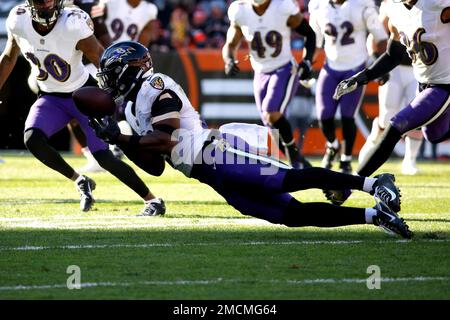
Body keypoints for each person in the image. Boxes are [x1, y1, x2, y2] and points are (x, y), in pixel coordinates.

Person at [84, 40, 412, 239]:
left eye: (111, 72)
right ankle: (374, 216)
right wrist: (122, 141)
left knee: (286, 180)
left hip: (218, 153)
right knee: (291, 216)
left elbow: (166, 138)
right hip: (207, 174)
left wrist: (124, 138)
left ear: (129, 68)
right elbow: (155, 167)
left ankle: (372, 183)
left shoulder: (155, 84)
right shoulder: (128, 109)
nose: (108, 80)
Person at [0, 0, 165, 216]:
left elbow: (100, 57)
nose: (46, 4)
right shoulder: (17, 19)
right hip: (50, 97)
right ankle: (80, 181)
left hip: (83, 95)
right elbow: (9, 57)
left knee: (103, 156)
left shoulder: (72, 22)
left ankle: (152, 200)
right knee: (32, 140)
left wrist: (117, 93)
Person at [330, 0, 450, 210]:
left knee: (396, 125)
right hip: (423, 83)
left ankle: (350, 185)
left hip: (444, 85)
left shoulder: (436, 3)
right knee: (434, 135)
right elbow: (393, 54)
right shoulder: (393, 9)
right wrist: (362, 77)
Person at [222, 0, 315, 169]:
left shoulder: (282, 6)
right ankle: (301, 163)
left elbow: (310, 34)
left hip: (284, 68)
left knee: (271, 113)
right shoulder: (240, 10)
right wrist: (228, 61)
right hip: (260, 72)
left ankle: (294, 158)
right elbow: (230, 44)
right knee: (271, 125)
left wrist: (307, 61)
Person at [308, 0, 389, 174]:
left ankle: (346, 159)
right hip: (330, 68)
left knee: (347, 116)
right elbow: (315, 42)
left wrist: (382, 63)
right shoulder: (318, 5)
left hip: (355, 67)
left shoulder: (361, 4)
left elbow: (381, 37)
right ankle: (333, 146)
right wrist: (307, 63)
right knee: (324, 116)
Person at [358, 0, 423, 175]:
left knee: (417, 115)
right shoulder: (391, 5)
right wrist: (375, 61)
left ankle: (410, 160)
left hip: (419, 67)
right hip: (394, 68)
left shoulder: (430, 3)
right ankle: (373, 141)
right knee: (387, 116)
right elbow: (375, 37)